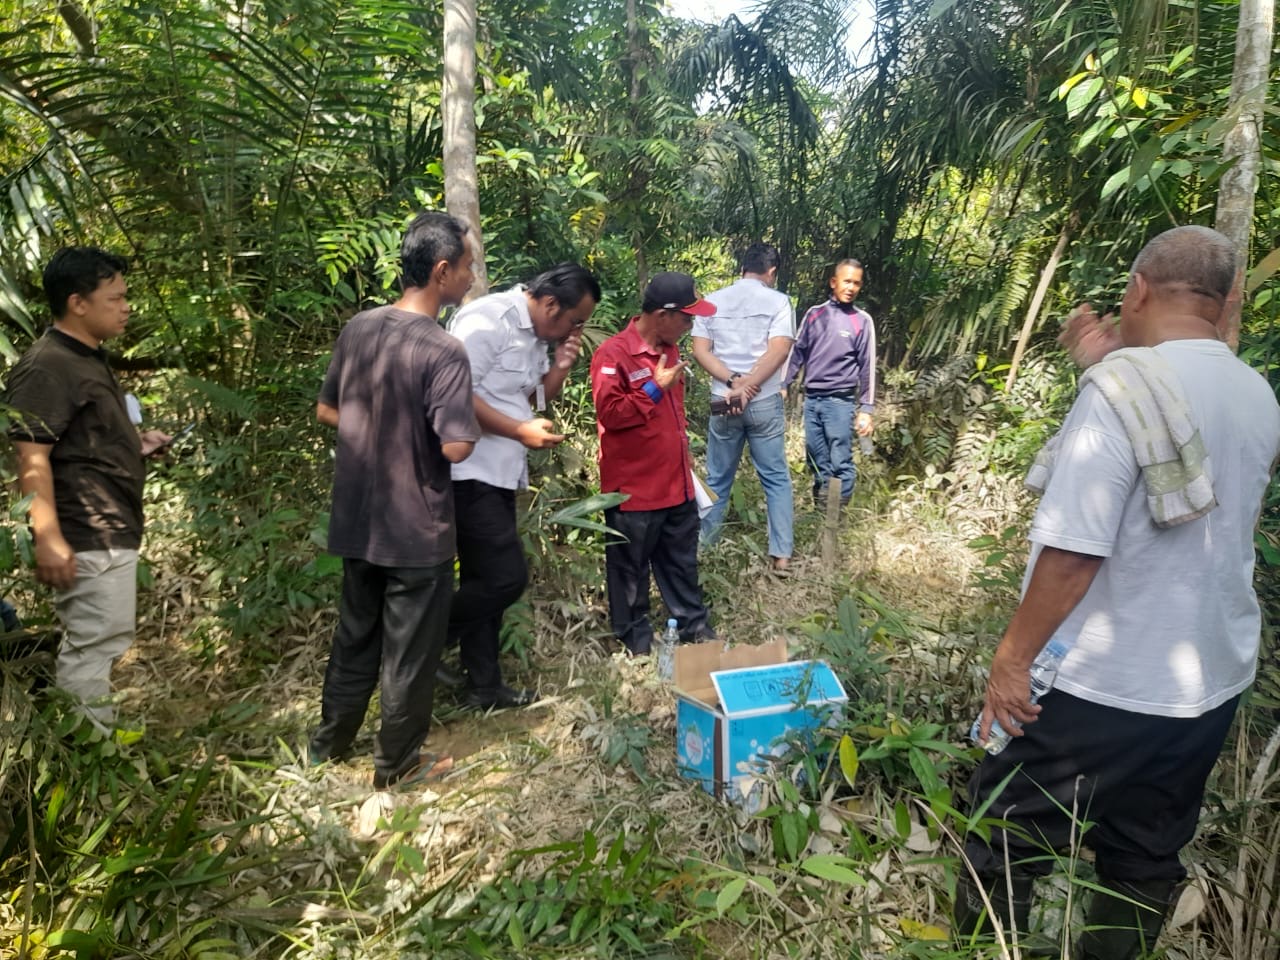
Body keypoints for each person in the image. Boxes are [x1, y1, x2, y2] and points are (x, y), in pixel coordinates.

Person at [958, 225, 1280, 960]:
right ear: (1226, 302)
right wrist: (1108, 362)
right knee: (1142, 854)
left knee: (1002, 834)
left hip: (1103, 683)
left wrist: (1012, 660)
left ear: (1137, 290)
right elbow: (1180, 426)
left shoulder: (1118, 395)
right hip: (1208, 683)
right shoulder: (1256, 393)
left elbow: (1074, 551)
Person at [309, 211, 480, 790]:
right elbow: (456, 447)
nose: (471, 275)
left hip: (359, 518)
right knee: (410, 652)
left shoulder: (360, 327)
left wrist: (378, 429)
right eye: (466, 266)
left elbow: (328, 409)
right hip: (417, 528)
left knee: (355, 634)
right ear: (440, 271)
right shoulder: (444, 350)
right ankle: (396, 765)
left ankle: (328, 745)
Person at [4, 247, 170, 728]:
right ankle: (88, 761)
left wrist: (134, 444)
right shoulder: (48, 365)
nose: (126, 306)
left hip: (110, 525)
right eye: (115, 298)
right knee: (92, 647)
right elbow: (30, 456)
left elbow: (77, 442)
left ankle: (88, 751)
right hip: (86, 529)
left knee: (101, 642)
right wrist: (49, 538)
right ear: (78, 303)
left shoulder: (87, 358)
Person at [445, 263, 601, 709]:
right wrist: (518, 431)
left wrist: (562, 366)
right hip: (469, 471)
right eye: (575, 321)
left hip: (499, 473)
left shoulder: (536, 337)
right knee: (505, 578)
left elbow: (533, 398)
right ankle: (416, 636)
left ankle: (484, 685)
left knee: (483, 577)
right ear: (551, 304)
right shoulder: (487, 320)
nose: (577, 329)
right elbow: (455, 393)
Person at [591, 272, 717, 654]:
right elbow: (610, 414)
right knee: (630, 569)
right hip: (634, 489)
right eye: (687, 318)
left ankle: (695, 627)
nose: (691, 325)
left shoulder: (671, 350)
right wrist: (653, 387)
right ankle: (636, 638)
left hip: (675, 481)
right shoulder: (613, 354)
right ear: (663, 314)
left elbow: (673, 415)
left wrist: (685, 457)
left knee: (681, 562)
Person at [692, 242, 795, 573]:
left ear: (742, 267)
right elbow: (779, 350)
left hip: (724, 401)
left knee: (717, 479)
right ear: (772, 271)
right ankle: (781, 556)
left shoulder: (711, 301)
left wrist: (735, 381)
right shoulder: (779, 301)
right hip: (763, 401)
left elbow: (701, 351)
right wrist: (750, 385)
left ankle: (706, 549)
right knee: (776, 478)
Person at [783, 259, 876, 508]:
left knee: (840, 461)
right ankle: (821, 513)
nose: (851, 287)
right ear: (834, 282)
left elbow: (868, 366)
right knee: (816, 458)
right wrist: (783, 384)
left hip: (840, 402)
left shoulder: (862, 321)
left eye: (856, 283)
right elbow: (797, 353)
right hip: (812, 400)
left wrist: (866, 409)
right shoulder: (815, 315)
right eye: (846, 281)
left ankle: (835, 521)